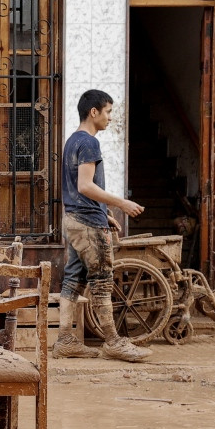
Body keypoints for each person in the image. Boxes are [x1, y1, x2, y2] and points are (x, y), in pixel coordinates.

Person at [51, 89, 151, 362]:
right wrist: (121, 203)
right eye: (107, 111)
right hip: (87, 224)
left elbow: (75, 187)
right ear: (93, 112)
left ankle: (65, 341)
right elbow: (85, 185)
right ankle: (113, 342)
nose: (109, 117)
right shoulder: (90, 143)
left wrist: (103, 211)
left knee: (73, 280)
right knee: (102, 281)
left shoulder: (72, 141)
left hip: (73, 220)